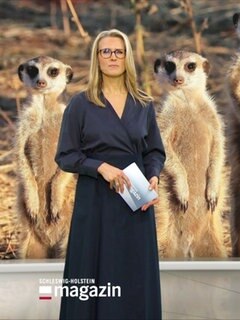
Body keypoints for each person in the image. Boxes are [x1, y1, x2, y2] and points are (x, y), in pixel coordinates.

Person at [56, 29, 165, 319]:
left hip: (135, 202)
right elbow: (66, 156)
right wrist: (99, 168)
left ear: (127, 56)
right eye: (105, 51)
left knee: (134, 276)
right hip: (95, 202)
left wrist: (153, 176)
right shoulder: (80, 104)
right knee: (94, 274)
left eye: (118, 51)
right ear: (97, 58)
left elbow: (154, 151)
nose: (112, 57)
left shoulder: (143, 103)